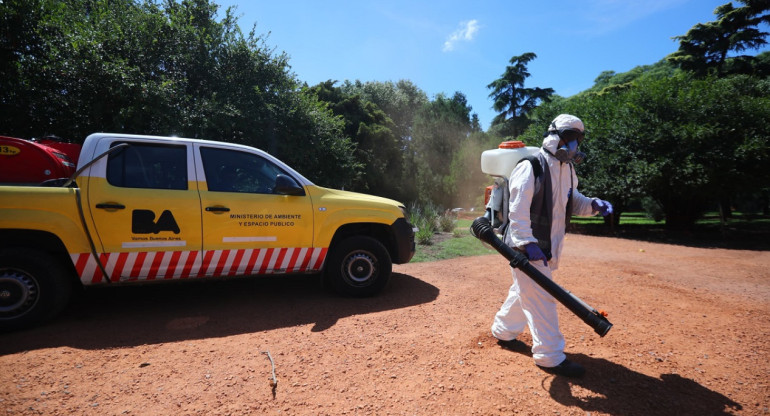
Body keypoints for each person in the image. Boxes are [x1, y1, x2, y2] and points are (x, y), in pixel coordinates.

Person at [491, 114, 613, 378]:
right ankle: (550, 356)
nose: (574, 146)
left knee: (525, 290)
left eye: (578, 140)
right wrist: (527, 242)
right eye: (570, 139)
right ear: (556, 136)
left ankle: (502, 330)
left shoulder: (567, 169)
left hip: (546, 246)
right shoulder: (532, 165)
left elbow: (572, 200)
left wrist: (593, 204)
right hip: (526, 247)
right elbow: (517, 209)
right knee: (542, 296)